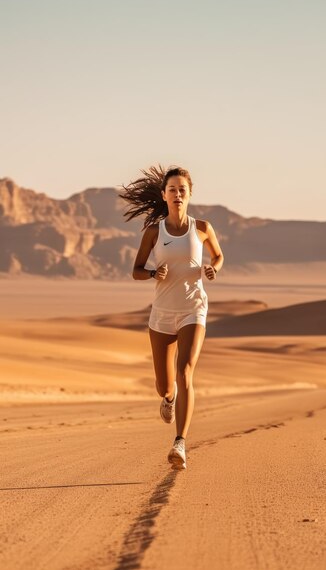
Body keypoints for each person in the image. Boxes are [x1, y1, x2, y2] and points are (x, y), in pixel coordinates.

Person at [119, 165, 224, 470]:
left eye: (183, 190)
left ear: (189, 195)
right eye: (172, 189)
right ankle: (168, 399)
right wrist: (153, 272)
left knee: (186, 371)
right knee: (165, 385)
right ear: (164, 195)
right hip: (162, 314)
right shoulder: (154, 232)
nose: (178, 194)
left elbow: (218, 255)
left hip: (193, 308)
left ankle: (180, 442)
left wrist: (213, 268)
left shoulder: (202, 227)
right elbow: (136, 270)